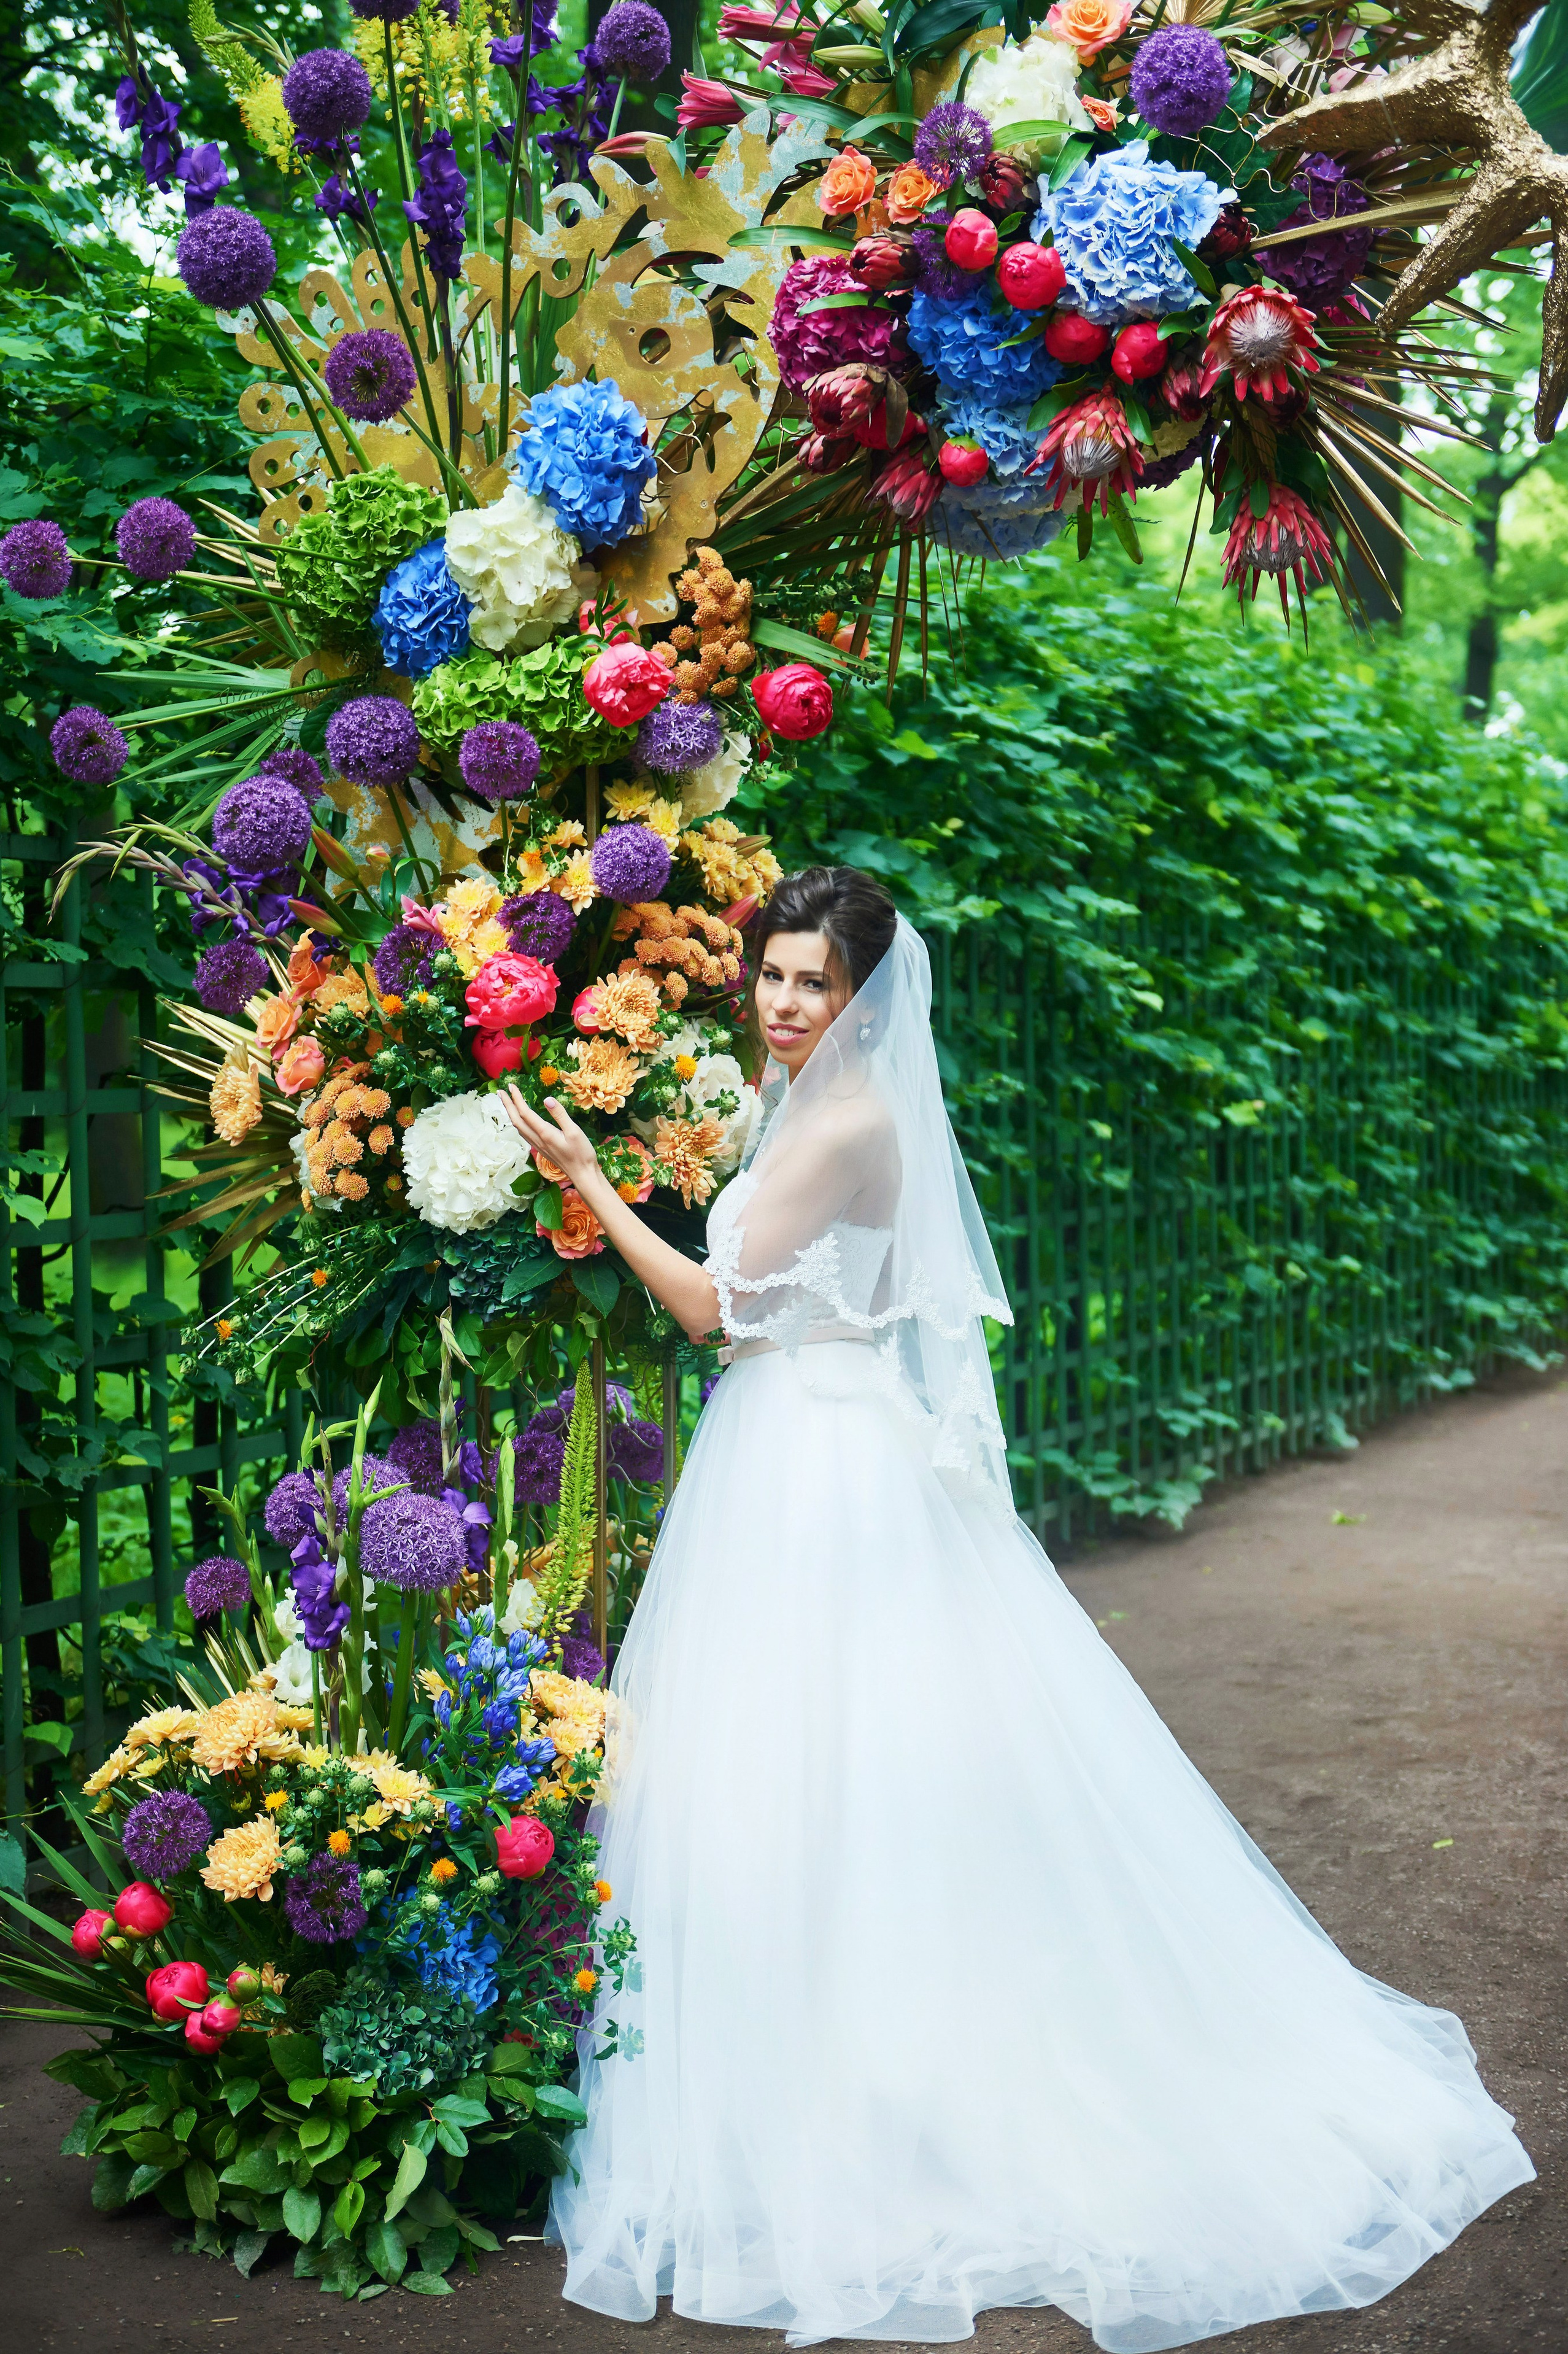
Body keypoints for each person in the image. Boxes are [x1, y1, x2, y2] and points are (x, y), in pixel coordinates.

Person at [501, 866, 1533, 2353]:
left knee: (819, 1764)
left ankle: (865, 2097)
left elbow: (711, 1312)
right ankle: (814, 2069)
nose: (784, 1002)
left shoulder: (845, 1119)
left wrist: (586, 1181)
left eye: (811, 981)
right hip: (806, 1437)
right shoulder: (815, 1101)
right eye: (772, 974)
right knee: (813, 1773)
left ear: (860, 995)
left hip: (809, 1459)